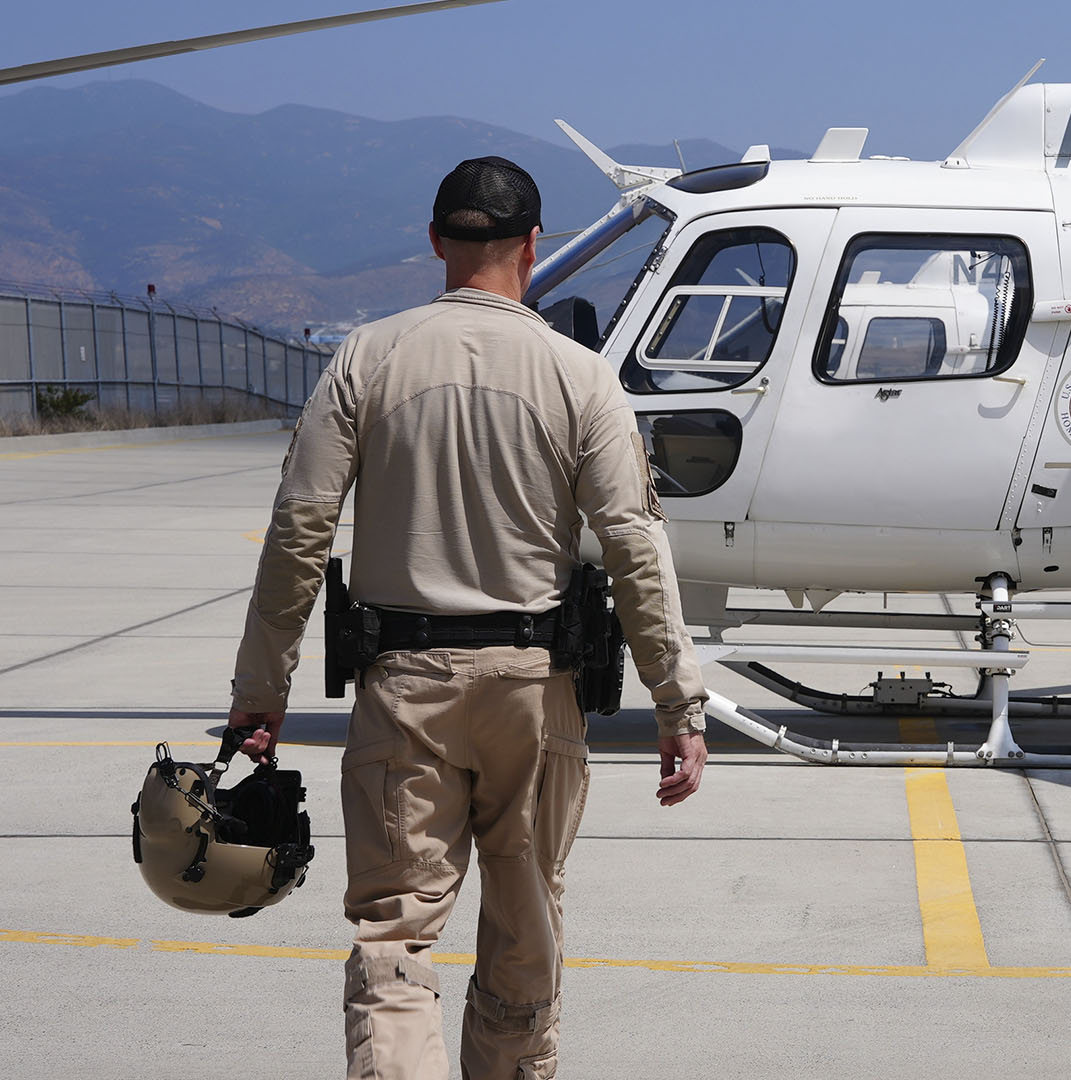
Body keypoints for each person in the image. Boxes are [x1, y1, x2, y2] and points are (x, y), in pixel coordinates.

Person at [224, 155, 709, 1079]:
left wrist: (261, 692)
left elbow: (298, 533)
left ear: (437, 240)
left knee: (395, 939)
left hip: (403, 689)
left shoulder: (366, 357)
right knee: (526, 932)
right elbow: (635, 548)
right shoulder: (583, 377)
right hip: (537, 691)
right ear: (535, 245)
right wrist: (678, 704)